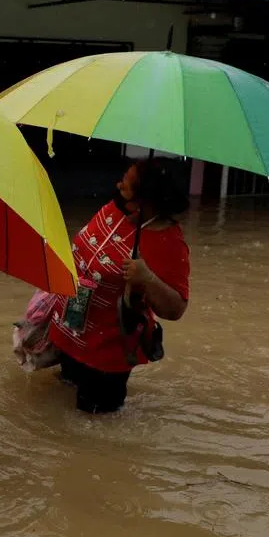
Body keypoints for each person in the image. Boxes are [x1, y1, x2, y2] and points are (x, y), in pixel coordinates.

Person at [42, 157, 191, 414]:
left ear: (147, 198)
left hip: (107, 355)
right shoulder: (115, 209)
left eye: (127, 185)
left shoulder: (168, 242)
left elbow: (176, 309)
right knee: (59, 408)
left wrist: (148, 279)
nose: (118, 185)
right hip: (71, 333)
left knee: (93, 428)